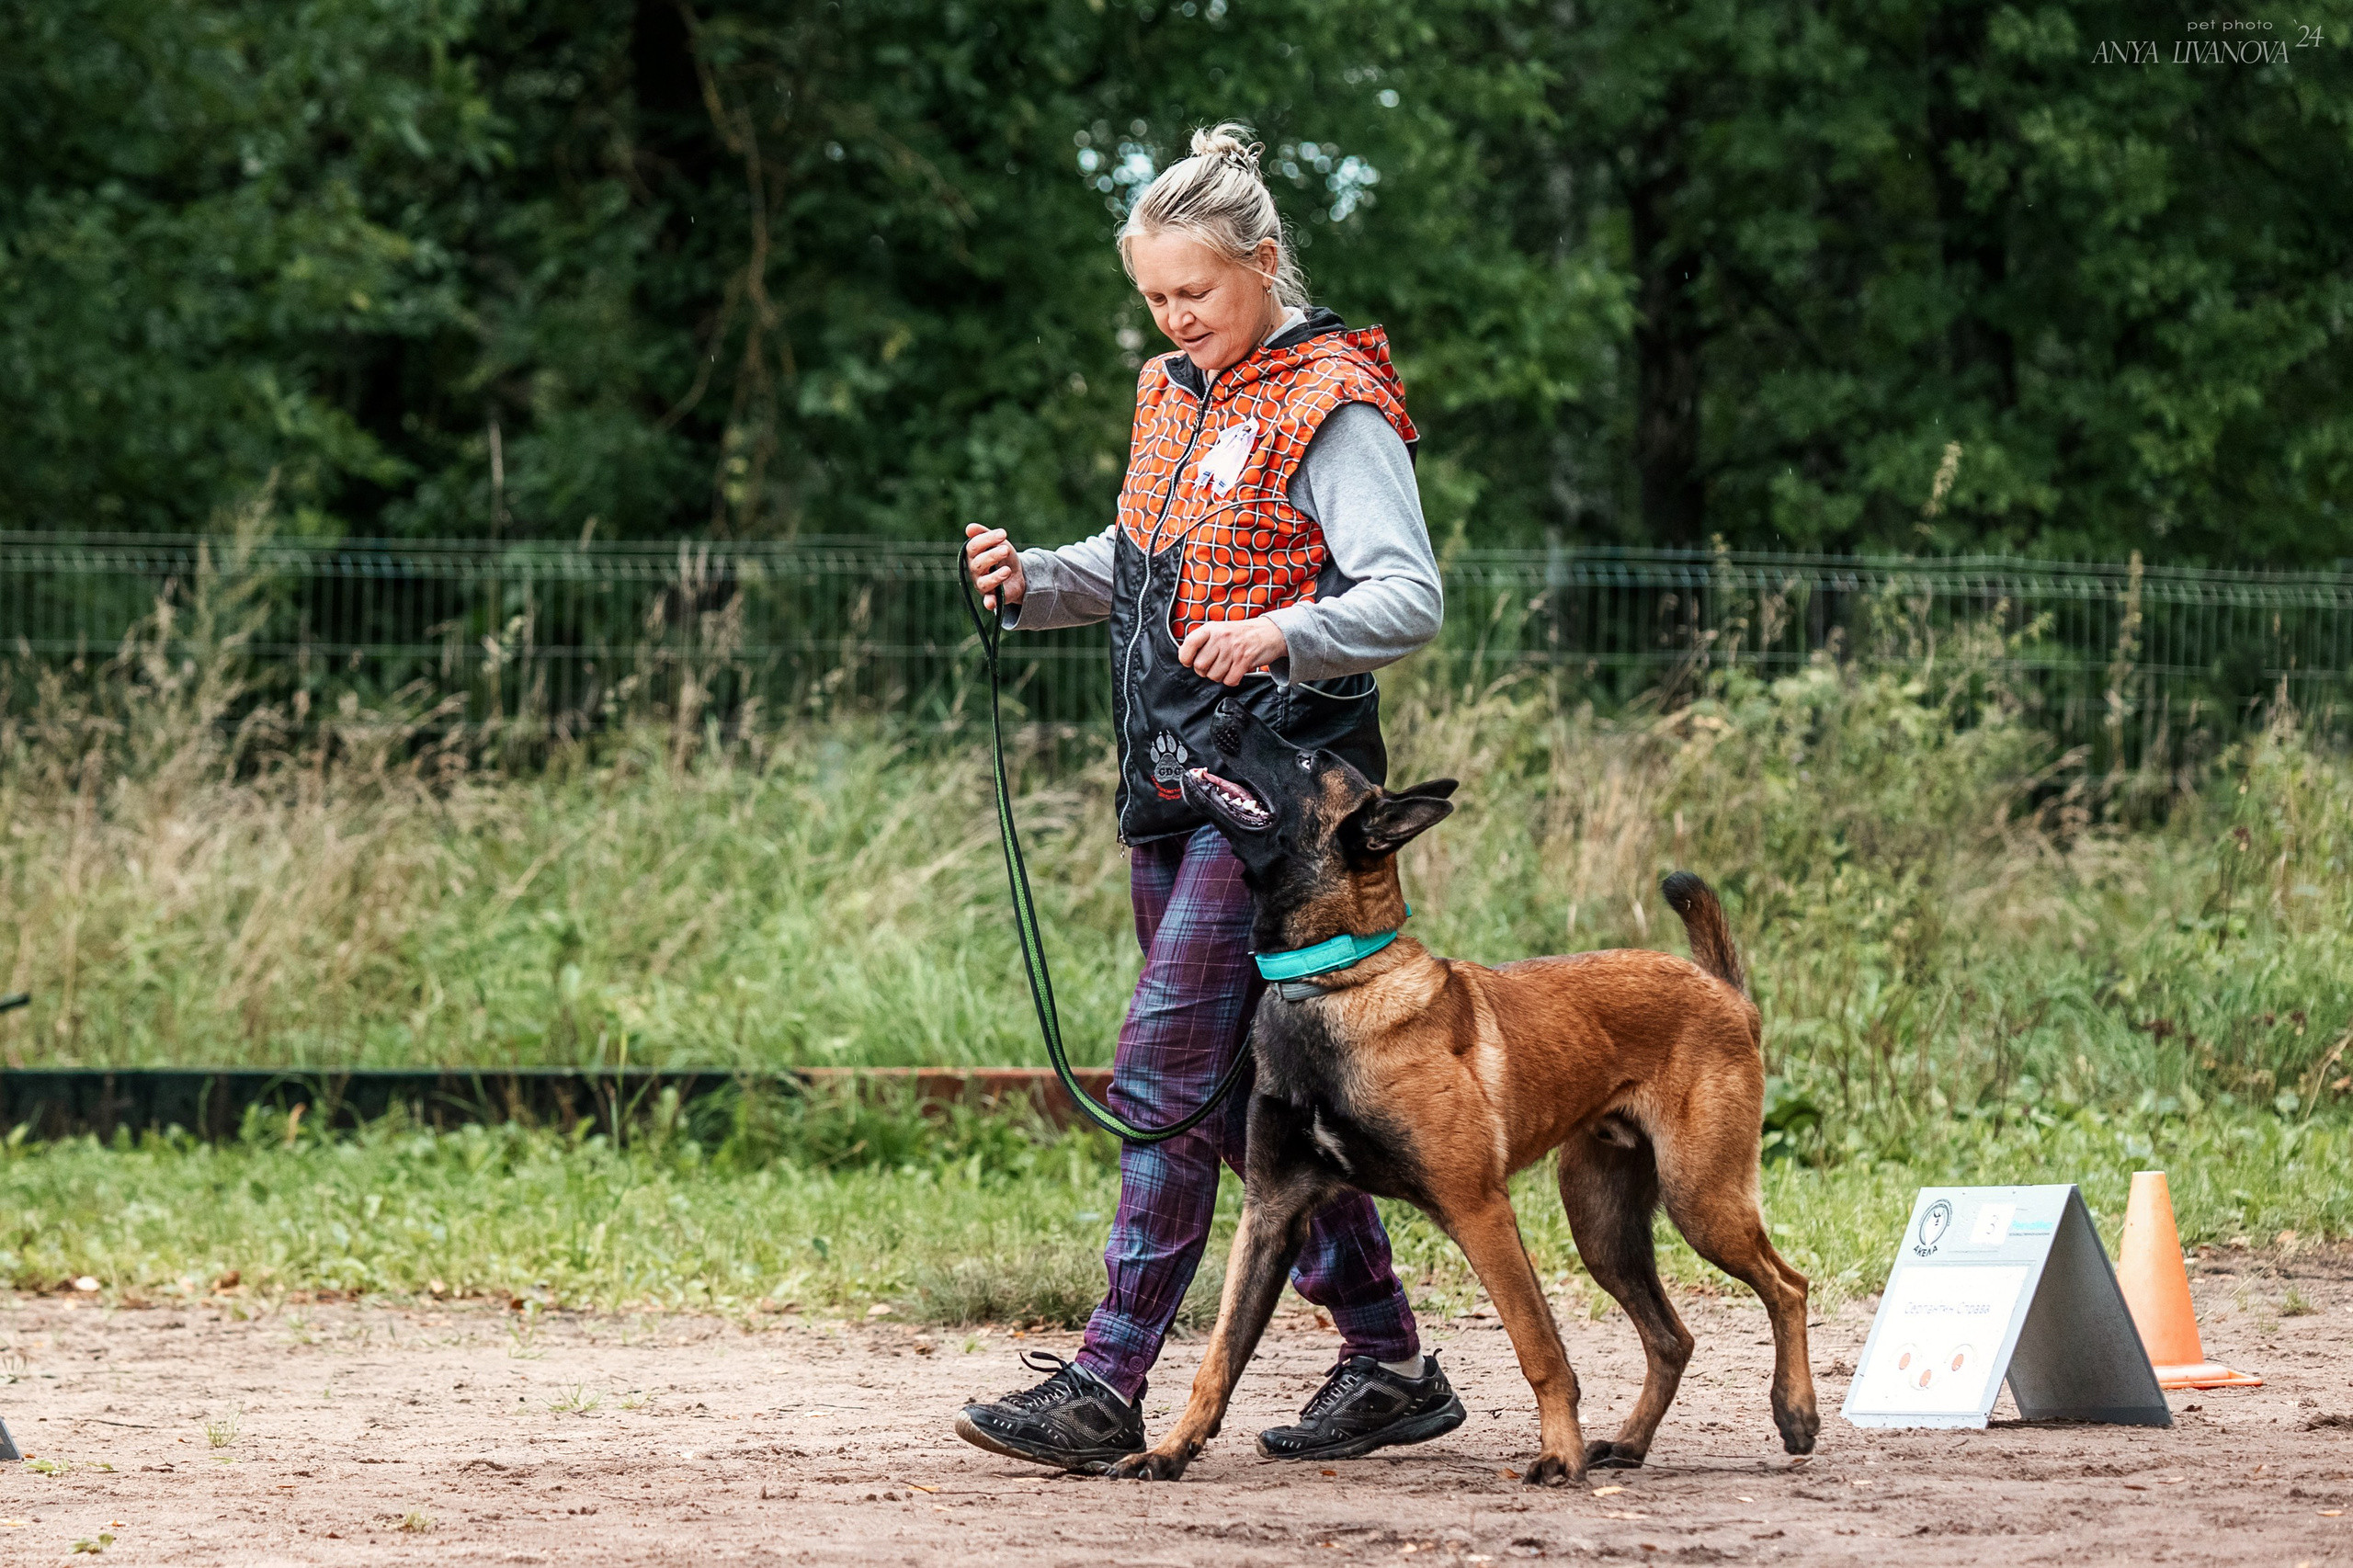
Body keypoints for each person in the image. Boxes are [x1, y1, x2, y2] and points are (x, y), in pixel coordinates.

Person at [953, 123, 1459, 1474]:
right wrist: (1035, 577)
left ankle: (1109, 1377)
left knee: (1163, 1076)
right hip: (1172, 784)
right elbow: (1145, 558)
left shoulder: (1332, 400)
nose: (1178, 317)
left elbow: (1407, 595)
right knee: (1243, 1097)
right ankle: (1393, 1360)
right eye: (1159, 297)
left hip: (1283, 805)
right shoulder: (1172, 392)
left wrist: (1287, 632)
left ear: (1264, 262)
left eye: (1199, 292)